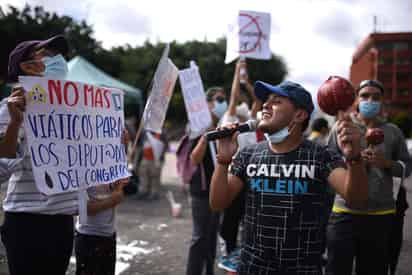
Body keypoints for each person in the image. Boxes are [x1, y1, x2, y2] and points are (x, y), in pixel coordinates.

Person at [210, 80, 369, 274]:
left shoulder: (321, 156)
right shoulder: (248, 154)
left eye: (276, 101)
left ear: (299, 115)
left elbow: (358, 199)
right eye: (266, 101)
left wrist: (354, 159)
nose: (266, 105)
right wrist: (222, 161)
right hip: (252, 267)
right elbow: (218, 203)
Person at [0, 35, 77, 275]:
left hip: (63, 220)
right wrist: (16, 124)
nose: (58, 61)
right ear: (28, 67)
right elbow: (1, 169)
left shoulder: (73, 111)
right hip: (26, 220)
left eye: (59, 55)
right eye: (48, 55)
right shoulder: (9, 107)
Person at [326, 79, 411, 275]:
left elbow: (407, 168)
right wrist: (352, 161)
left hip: (381, 215)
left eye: (376, 97)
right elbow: (327, 165)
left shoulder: (393, 132)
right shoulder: (341, 127)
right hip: (343, 213)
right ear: (356, 100)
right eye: (364, 96)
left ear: (382, 102)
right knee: (336, 269)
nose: (370, 100)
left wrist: (386, 164)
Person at [217, 59, 262, 272]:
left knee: (248, 219)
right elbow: (234, 97)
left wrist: (248, 82)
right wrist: (237, 73)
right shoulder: (231, 119)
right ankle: (228, 252)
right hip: (234, 176)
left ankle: (242, 255)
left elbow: (257, 100)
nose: (245, 108)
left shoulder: (250, 124)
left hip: (251, 178)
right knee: (230, 219)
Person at [185, 87, 226, 275]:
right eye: (218, 99)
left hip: (216, 190)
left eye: (224, 99)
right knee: (199, 236)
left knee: (211, 237)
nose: (222, 103)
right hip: (201, 190)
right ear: (208, 103)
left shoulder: (224, 126)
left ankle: (209, 271)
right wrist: (205, 137)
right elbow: (194, 159)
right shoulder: (197, 127)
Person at [75, 178, 128, 275]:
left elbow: (111, 190)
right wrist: (112, 200)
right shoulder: (81, 170)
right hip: (89, 236)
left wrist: (117, 185)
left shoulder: (107, 167)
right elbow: (84, 210)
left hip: (109, 234)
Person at [137, 130, 168, 200]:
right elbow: (140, 145)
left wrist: (161, 157)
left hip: (156, 159)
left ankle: (154, 193)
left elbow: (165, 146)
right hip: (145, 158)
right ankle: (143, 191)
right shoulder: (144, 133)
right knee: (143, 176)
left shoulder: (161, 133)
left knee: (155, 177)